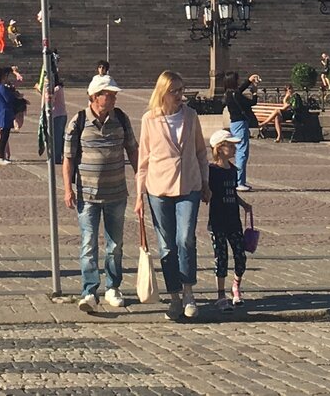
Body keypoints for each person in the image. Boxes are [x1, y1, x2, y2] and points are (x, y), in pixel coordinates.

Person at [136, 70, 210, 322]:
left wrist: (206, 181)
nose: (180, 95)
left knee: (185, 238)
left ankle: (189, 292)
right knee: (166, 245)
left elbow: (201, 151)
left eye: (182, 89)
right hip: (158, 189)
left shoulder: (190, 116)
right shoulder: (150, 119)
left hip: (189, 185)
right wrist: (139, 195)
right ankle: (175, 296)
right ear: (163, 93)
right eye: (175, 91)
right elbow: (143, 160)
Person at [63, 72, 137, 313]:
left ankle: (113, 287)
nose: (114, 98)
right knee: (88, 244)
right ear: (95, 96)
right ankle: (89, 291)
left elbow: (133, 151)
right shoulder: (79, 121)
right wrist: (67, 188)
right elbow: (68, 158)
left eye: (114, 94)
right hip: (88, 194)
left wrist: (141, 181)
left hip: (116, 193)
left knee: (115, 245)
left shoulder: (122, 119)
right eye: (109, 94)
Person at [206, 128, 252, 309]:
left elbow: (231, 192)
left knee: (240, 255)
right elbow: (207, 192)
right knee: (222, 257)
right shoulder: (211, 171)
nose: (235, 149)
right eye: (231, 146)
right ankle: (220, 294)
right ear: (220, 148)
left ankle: (236, 286)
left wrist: (243, 204)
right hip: (217, 221)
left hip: (234, 220)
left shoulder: (233, 170)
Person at [221, 71, 255, 190]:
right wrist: (254, 92)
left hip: (234, 123)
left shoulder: (229, 94)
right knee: (242, 152)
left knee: (239, 150)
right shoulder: (236, 95)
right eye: (237, 80)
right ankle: (240, 182)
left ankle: (239, 181)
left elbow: (239, 90)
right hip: (240, 123)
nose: (239, 81)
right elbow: (251, 103)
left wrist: (249, 81)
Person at [0, 67, 23, 164]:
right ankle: (0, 157)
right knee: (3, 137)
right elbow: (9, 99)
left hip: (5, 114)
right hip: (3, 114)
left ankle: (2, 156)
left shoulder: (1, 87)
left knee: (4, 137)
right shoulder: (1, 87)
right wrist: (17, 96)